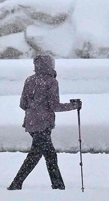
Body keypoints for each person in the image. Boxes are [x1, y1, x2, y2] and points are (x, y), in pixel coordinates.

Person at [8, 54, 81, 190]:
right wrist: (73, 106)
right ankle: (55, 186)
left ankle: (19, 183)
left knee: (41, 154)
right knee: (45, 155)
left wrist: (33, 111)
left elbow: (22, 104)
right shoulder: (51, 82)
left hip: (30, 123)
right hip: (43, 124)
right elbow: (54, 106)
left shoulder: (29, 80)